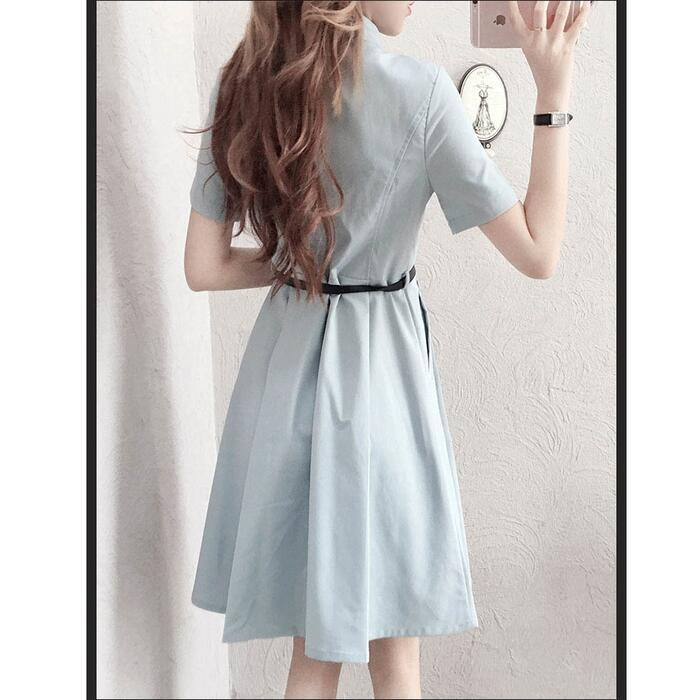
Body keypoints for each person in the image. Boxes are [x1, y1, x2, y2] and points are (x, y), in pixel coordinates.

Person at [183, 1, 591, 698]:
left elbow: (205, 267)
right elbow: (538, 250)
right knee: (394, 649)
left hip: (286, 380)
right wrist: (553, 95)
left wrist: (303, 261)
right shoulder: (420, 93)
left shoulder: (246, 81)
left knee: (313, 649)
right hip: (381, 388)